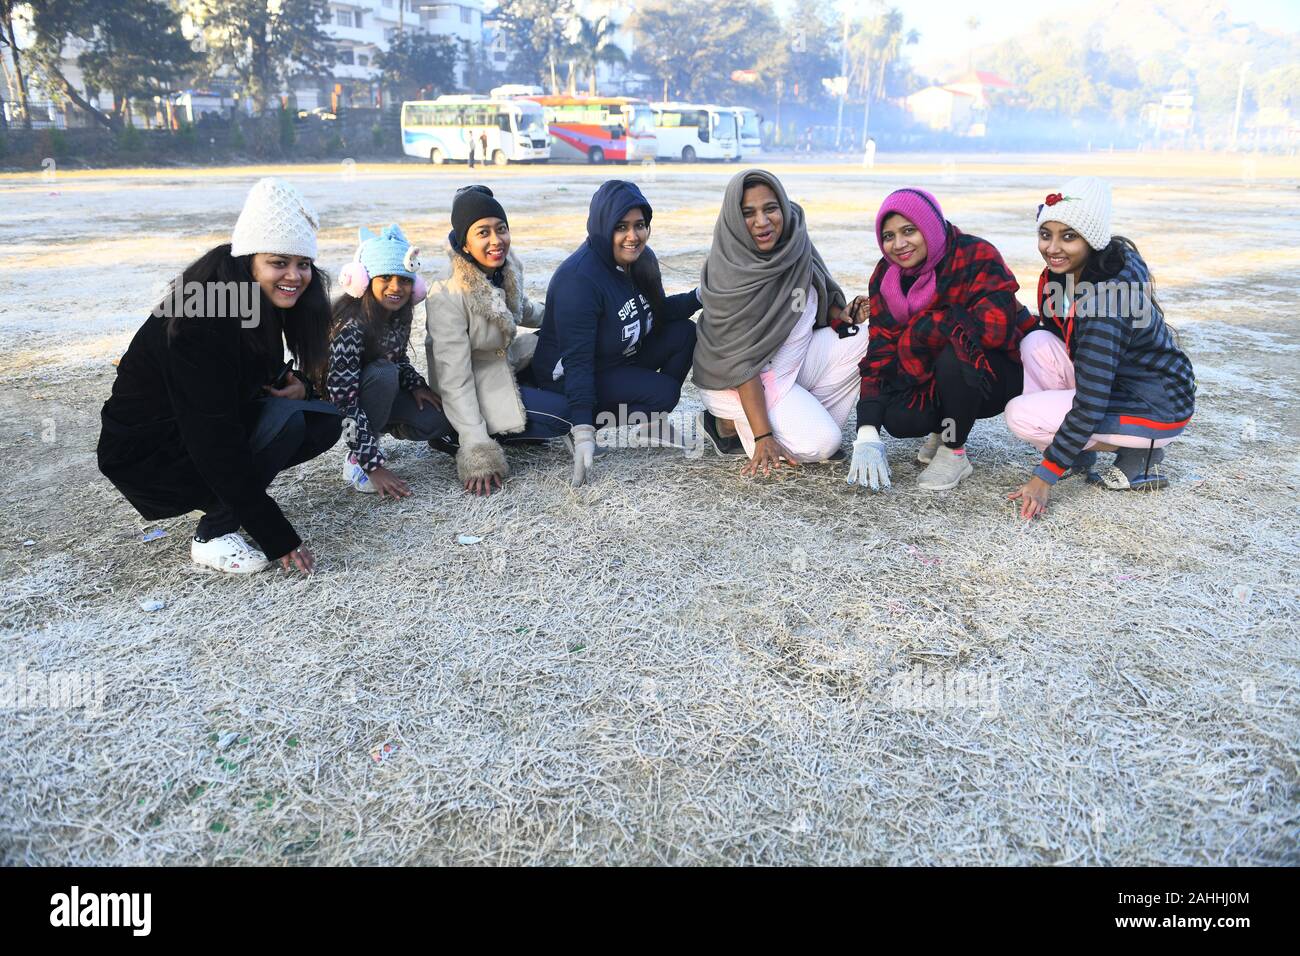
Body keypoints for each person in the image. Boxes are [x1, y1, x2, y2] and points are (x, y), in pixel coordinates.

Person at [97, 178, 341, 575]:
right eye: (279, 262)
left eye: (303, 264)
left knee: (317, 419)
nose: (295, 276)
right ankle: (214, 534)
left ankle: (228, 503)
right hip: (148, 454)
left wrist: (301, 384)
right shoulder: (202, 318)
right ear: (249, 259)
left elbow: (257, 372)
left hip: (194, 429)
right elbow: (213, 437)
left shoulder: (248, 295)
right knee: (288, 423)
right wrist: (276, 534)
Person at [1005, 177, 1196, 518]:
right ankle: (1075, 452)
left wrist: (1045, 475)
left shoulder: (1106, 303)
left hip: (1155, 405)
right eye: (1045, 234)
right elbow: (1056, 333)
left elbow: (1091, 402)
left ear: (1091, 240)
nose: (1052, 247)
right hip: (1122, 385)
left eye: (1068, 236)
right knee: (1036, 343)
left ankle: (1141, 456)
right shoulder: (1063, 277)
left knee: (1021, 415)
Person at [846, 187, 1034, 493]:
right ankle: (943, 425)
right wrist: (866, 431)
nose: (899, 244)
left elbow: (994, 330)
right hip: (929, 369)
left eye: (909, 230)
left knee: (952, 350)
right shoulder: (886, 276)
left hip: (994, 372)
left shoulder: (977, 255)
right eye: (888, 236)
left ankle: (954, 450)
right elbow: (880, 351)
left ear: (930, 227)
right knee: (900, 419)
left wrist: (924, 325)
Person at [692, 169, 868, 476]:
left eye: (770, 208)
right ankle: (728, 424)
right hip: (743, 380)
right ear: (734, 218)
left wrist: (840, 315)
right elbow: (740, 363)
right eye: (748, 213)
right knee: (824, 443)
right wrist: (763, 436)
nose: (762, 222)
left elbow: (809, 299)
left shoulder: (794, 241)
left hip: (791, 364)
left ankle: (794, 416)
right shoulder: (728, 273)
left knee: (866, 337)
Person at [532, 180, 701, 487]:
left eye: (640, 225)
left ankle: (652, 424)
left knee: (685, 333)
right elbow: (577, 361)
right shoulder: (579, 279)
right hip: (569, 377)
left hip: (615, 357)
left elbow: (656, 314)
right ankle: (574, 422)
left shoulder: (640, 260)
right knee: (664, 392)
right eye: (621, 226)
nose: (632, 236)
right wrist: (584, 429)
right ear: (602, 226)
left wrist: (698, 297)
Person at [424, 185, 571, 496]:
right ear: (464, 242)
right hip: (474, 385)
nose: (496, 240)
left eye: (501, 229)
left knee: (562, 340)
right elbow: (454, 379)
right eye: (483, 232)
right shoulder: (446, 293)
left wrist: (570, 316)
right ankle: (459, 434)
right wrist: (476, 446)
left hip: (504, 361)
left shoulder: (505, 267)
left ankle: (518, 419)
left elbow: (523, 309)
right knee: (564, 418)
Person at [328, 224, 452, 498]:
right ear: (364, 280)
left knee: (436, 421)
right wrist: (372, 465)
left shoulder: (399, 314)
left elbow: (399, 358)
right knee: (384, 373)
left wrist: (416, 384)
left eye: (405, 279)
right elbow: (343, 402)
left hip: (375, 392)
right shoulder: (349, 327)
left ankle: (377, 429)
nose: (397, 287)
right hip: (340, 406)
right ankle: (356, 457)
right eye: (385, 277)